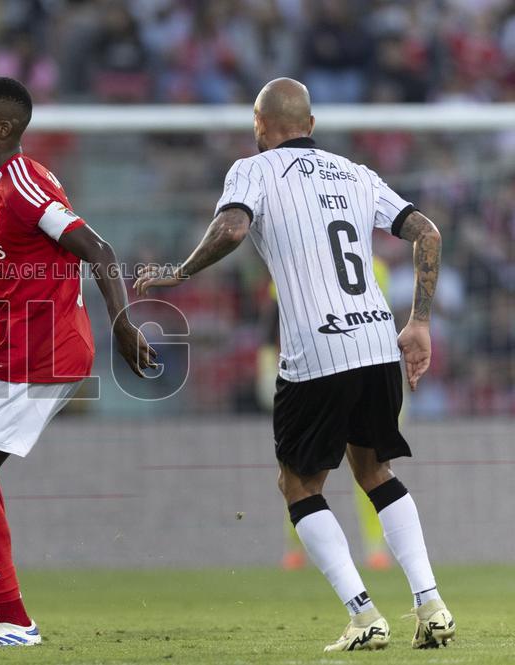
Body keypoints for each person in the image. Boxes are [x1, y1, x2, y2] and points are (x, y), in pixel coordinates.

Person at [135, 78, 454, 652]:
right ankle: (430, 604)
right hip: (379, 344)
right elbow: (426, 232)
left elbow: (232, 227)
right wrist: (421, 321)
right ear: (310, 123)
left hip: (317, 350)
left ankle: (363, 615)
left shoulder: (251, 171)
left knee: (297, 483)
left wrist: (180, 272)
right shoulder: (357, 173)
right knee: (373, 471)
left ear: (260, 126)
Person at [0, 76, 157, 647]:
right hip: (24, 340)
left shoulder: (21, 184)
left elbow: (97, 249)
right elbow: (32, 269)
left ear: (4, 129)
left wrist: (123, 322)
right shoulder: (4, 185)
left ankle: (13, 622)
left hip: (41, 349)